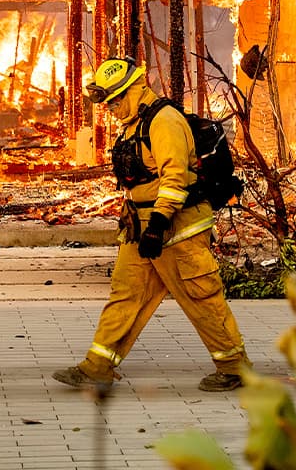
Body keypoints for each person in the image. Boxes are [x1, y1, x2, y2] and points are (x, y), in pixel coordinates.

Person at [52, 57, 249, 392]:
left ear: (134, 90)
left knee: (200, 296)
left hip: (178, 227)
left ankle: (235, 368)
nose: (111, 108)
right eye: (108, 102)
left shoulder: (164, 121)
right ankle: (97, 365)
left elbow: (175, 178)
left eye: (115, 100)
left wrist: (158, 224)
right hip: (142, 226)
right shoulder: (135, 122)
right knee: (126, 293)